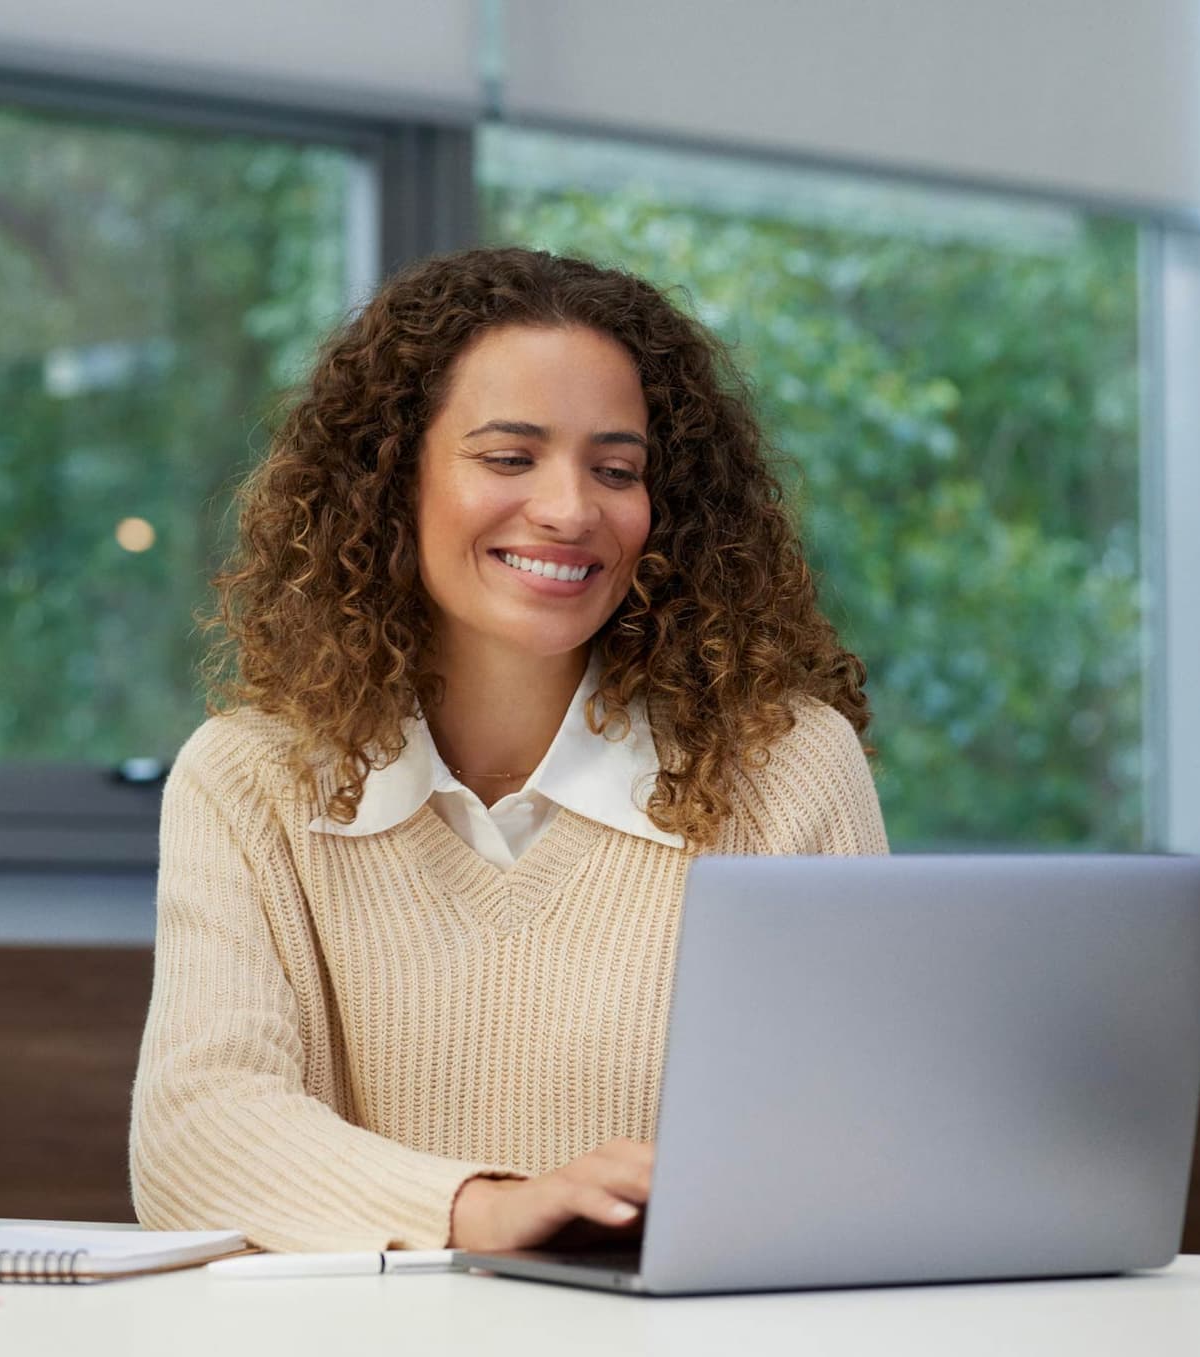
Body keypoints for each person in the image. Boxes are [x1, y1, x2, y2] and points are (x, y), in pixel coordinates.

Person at [129, 246, 888, 1253]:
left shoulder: (786, 766)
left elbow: (865, 1134)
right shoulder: (248, 779)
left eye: (616, 470)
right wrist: (481, 1210)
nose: (572, 510)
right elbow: (194, 1136)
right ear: (390, 479)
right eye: (508, 456)